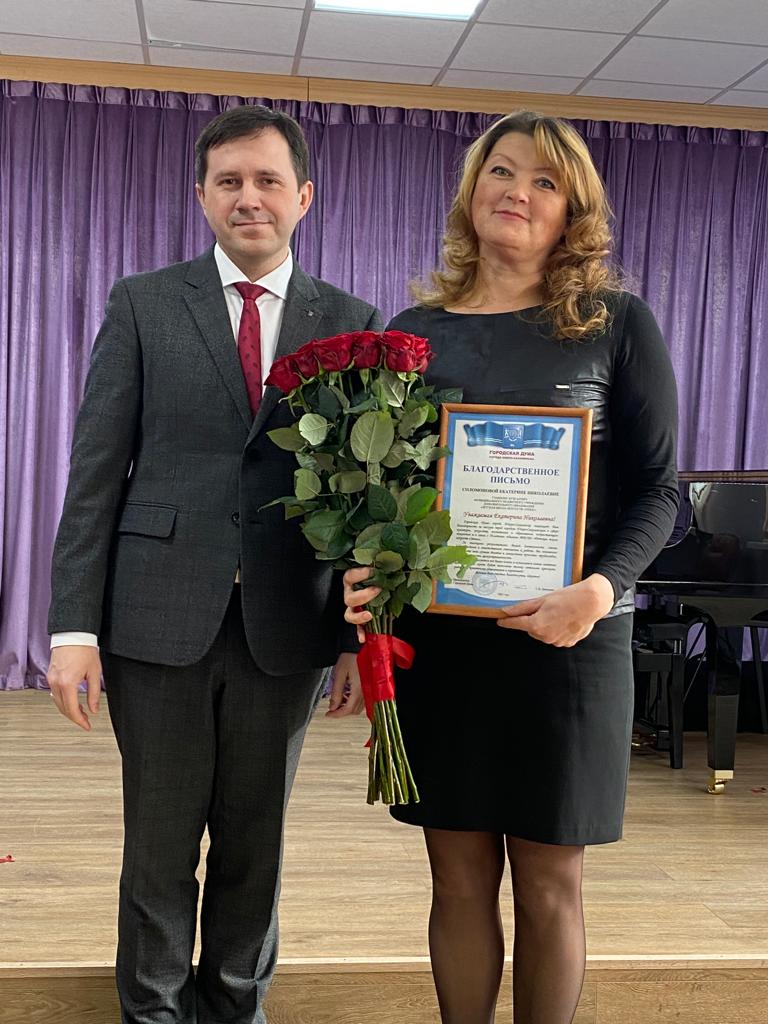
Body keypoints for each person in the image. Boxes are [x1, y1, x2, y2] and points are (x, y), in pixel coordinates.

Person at [343, 110, 679, 1024]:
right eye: (501, 170)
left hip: (570, 643)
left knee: (549, 883)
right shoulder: (413, 333)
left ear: (573, 209)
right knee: (455, 879)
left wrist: (598, 592)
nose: (517, 192)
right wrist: (369, 569)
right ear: (471, 190)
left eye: (544, 180)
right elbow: (388, 492)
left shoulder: (617, 324)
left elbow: (661, 492)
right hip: (443, 644)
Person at [46, 105, 379, 1024]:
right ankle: (152, 1011)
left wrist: (359, 640)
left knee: (254, 845)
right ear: (202, 196)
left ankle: (236, 1006)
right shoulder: (144, 303)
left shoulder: (351, 324)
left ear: (304, 197)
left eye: (268, 180)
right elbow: (95, 473)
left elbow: (363, 497)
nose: (249, 197)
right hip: (155, 617)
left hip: (288, 625)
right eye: (229, 181)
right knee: (159, 843)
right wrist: (72, 628)